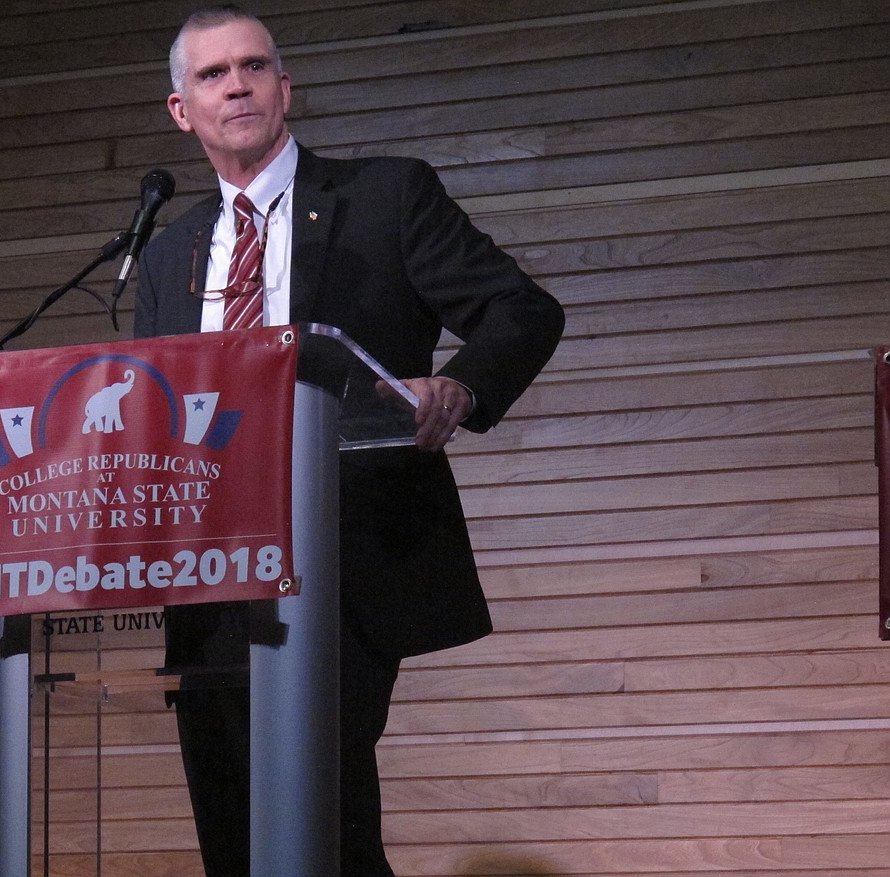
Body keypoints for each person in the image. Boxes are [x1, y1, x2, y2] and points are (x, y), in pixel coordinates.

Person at [134, 6, 565, 875]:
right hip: (212, 573)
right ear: (183, 110)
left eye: (254, 66)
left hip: (344, 554)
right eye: (213, 75)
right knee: (234, 832)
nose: (238, 85)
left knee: (322, 819)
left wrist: (459, 383)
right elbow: (155, 413)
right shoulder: (166, 252)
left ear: (285, 89)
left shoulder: (385, 195)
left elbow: (523, 308)